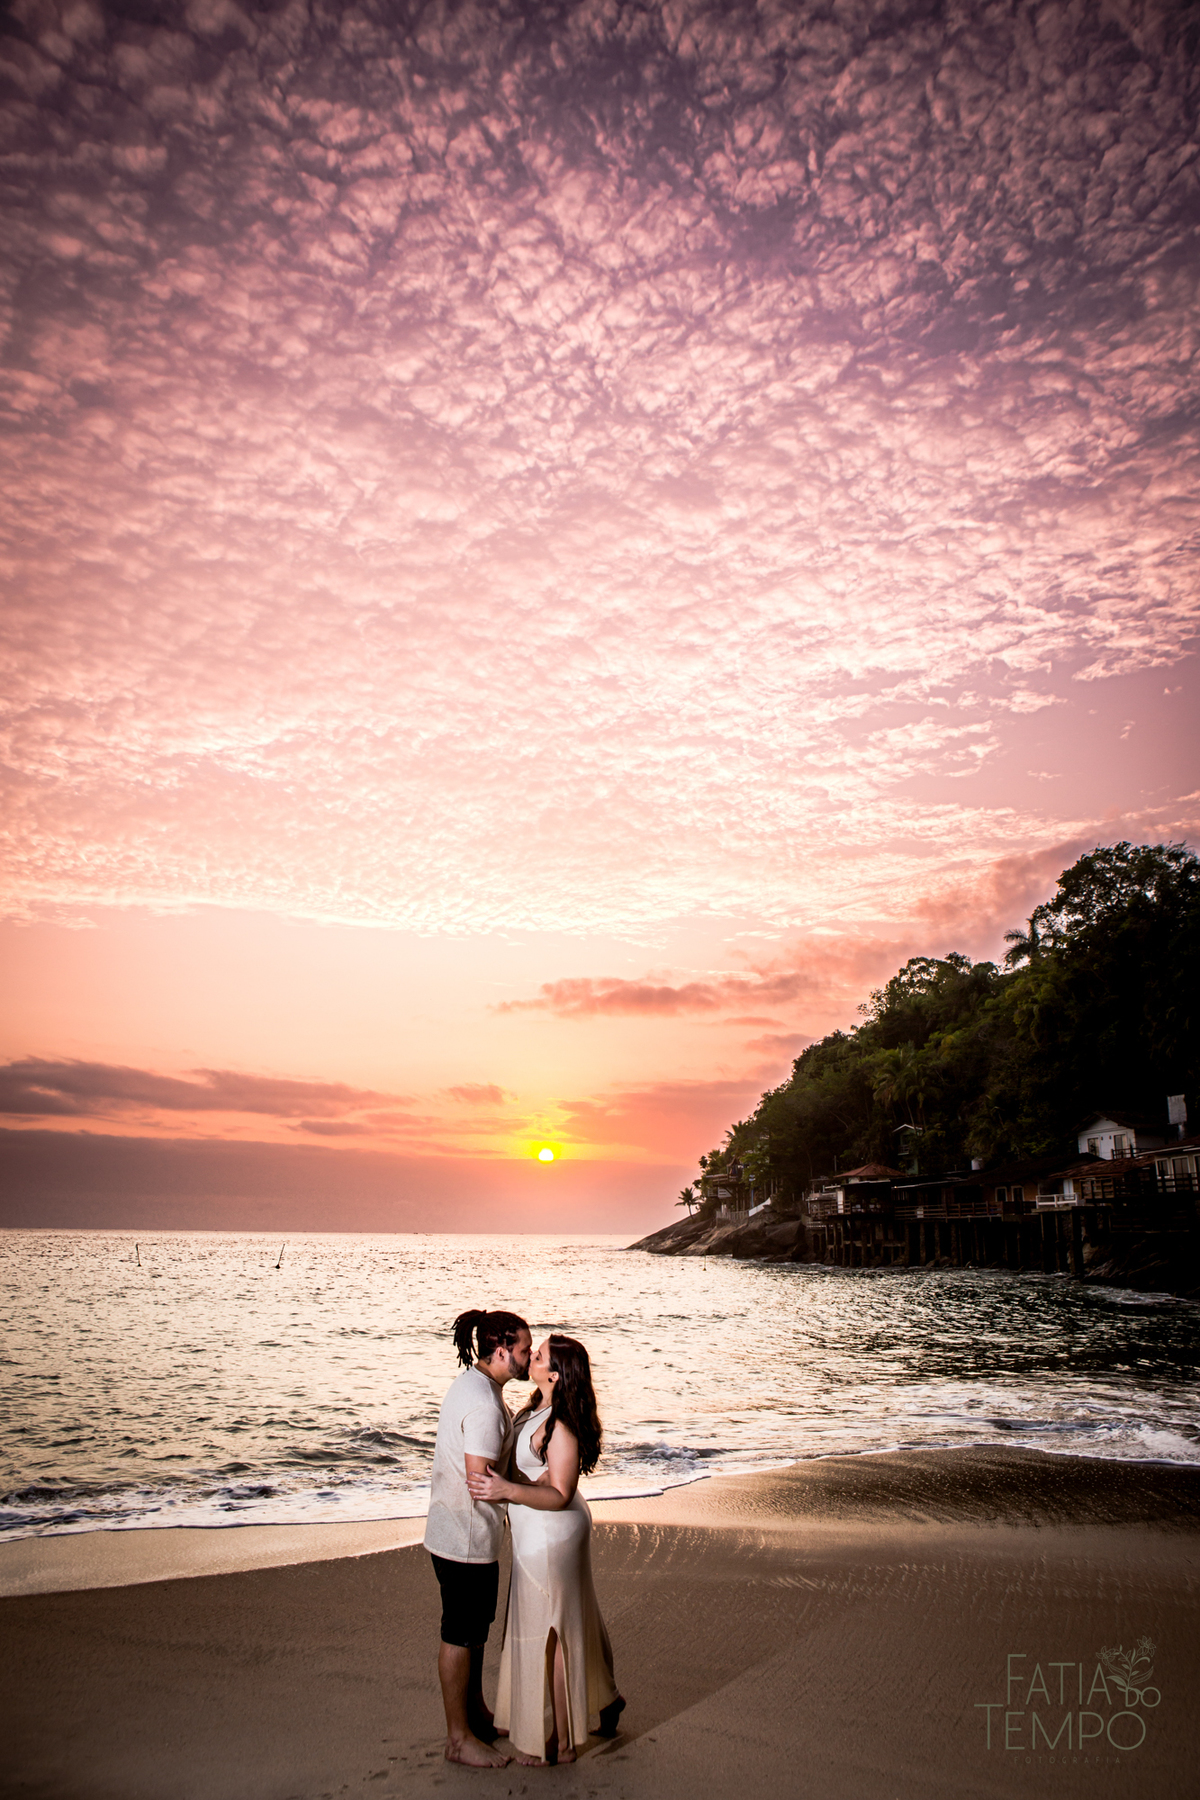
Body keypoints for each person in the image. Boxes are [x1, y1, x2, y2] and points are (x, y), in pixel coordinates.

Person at [467, 1334, 625, 1766]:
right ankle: (607, 1699)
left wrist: (506, 1490)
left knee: (554, 1631)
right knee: (575, 1616)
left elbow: (560, 1492)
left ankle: (562, 1741)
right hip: (535, 1529)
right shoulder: (534, 1406)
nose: (530, 1357)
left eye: (538, 1356)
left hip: (554, 1533)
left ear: (554, 1375)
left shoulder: (562, 1423)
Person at [423, 1307, 532, 1768]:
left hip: (454, 1531)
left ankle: (477, 1716)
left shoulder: (475, 1384)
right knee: (461, 1634)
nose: (528, 1357)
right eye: (524, 1349)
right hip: (465, 1539)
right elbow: (480, 1480)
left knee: (473, 1632)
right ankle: (458, 1739)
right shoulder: (485, 1405)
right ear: (502, 1350)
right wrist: (533, 1491)